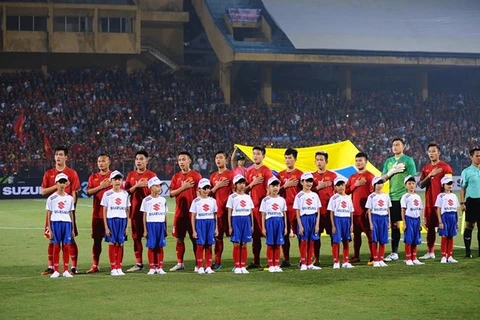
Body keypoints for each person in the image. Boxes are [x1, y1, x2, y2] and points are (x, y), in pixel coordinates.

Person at [40, 146, 80, 275]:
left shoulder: (72, 173)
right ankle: (51, 266)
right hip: (53, 212)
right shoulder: (49, 173)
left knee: (71, 240)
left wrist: (71, 208)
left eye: (61, 154)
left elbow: (74, 192)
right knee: (52, 239)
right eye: (56, 154)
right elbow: (43, 191)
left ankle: (73, 267)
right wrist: (57, 185)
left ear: (66, 157)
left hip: (67, 211)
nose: (58, 157)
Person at [381, 138, 417, 262]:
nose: (395, 147)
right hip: (393, 196)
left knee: (410, 224)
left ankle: (412, 253)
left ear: (403, 147)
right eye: (393, 145)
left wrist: (411, 196)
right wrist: (391, 172)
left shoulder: (408, 160)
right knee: (395, 225)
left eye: (398, 145)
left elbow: (412, 178)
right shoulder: (389, 161)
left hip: (405, 196)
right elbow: (382, 179)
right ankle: (394, 252)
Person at [419, 143, 453, 259]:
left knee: (445, 227)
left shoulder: (446, 167)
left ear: (439, 153)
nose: (431, 153)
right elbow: (421, 185)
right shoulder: (426, 168)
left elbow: (450, 185)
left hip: (443, 205)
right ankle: (431, 252)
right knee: (430, 228)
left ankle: (447, 254)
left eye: (434, 151)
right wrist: (430, 175)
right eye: (429, 151)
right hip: (430, 202)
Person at [124, 150, 157, 272]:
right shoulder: (130, 175)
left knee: (151, 238)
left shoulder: (152, 175)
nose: (138, 161)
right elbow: (125, 192)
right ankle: (139, 263)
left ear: (147, 161)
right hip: (135, 211)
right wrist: (136, 186)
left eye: (141, 159)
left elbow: (157, 191)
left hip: (150, 213)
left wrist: (148, 186)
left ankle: (154, 264)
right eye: (137, 159)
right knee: (136, 238)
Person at [169, 151, 202, 271]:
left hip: (193, 214)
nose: (181, 162)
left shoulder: (196, 176)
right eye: (179, 160)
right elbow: (171, 193)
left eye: (184, 159)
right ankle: (180, 263)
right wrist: (183, 188)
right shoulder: (176, 176)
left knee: (195, 238)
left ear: (189, 161)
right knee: (179, 238)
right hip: (180, 213)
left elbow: (201, 193)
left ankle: (198, 264)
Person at [245, 146, 273, 268]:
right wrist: (252, 184)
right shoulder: (249, 172)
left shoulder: (266, 171)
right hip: (253, 208)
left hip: (264, 209)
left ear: (263, 156)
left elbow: (271, 189)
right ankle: (256, 261)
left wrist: (265, 203)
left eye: (258, 154)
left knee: (268, 235)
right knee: (255, 236)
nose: (255, 156)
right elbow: (243, 190)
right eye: (254, 153)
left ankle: (272, 261)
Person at [346, 152, 375, 264]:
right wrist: (355, 185)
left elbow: (373, 194)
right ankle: (356, 256)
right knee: (356, 235)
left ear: (366, 162)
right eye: (357, 161)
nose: (358, 163)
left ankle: (373, 256)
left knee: (369, 234)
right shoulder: (352, 177)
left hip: (365, 212)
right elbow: (346, 190)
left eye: (360, 160)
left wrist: (369, 210)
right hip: (354, 211)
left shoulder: (370, 176)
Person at [86, 154, 112, 273]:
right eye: (99, 161)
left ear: (109, 162)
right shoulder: (93, 177)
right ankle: (95, 265)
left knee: (113, 240)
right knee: (97, 240)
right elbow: (88, 192)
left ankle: (115, 264)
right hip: (97, 214)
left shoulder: (114, 176)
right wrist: (101, 187)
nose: (101, 163)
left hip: (111, 214)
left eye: (103, 161)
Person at [276, 148, 303, 267]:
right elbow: (274, 192)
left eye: (290, 158)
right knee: (284, 235)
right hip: (284, 209)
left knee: (300, 234)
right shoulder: (280, 175)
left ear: (295, 159)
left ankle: (303, 259)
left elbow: (306, 190)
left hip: (297, 209)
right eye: (286, 158)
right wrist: (284, 186)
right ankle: (286, 259)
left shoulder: (301, 174)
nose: (287, 160)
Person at [101, 170, 130, 276]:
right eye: (115, 179)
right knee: (113, 242)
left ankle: (119, 267)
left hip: (122, 220)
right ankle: (113, 267)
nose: (118, 181)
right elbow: (104, 211)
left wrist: (127, 226)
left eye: (119, 179)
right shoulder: (107, 194)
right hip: (111, 220)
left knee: (120, 243)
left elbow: (127, 210)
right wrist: (106, 227)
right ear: (111, 181)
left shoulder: (125, 194)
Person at [46, 173, 75, 278]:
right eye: (60, 182)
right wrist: (49, 228)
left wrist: (72, 228)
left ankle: (66, 270)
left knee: (66, 246)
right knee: (56, 246)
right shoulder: (51, 198)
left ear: (66, 183)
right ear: (56, 183)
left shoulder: (70, 198)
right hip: (55, 223)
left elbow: (71, 213)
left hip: (66, 223)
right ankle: (56, 270)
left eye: (64, 182)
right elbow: (49, 214)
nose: (62, 184)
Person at [209, 151, 234, 270]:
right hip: (217, 213)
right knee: (218, 238)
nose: (218, 160)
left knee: (235, 238)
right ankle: (217, 262)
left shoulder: (231, 175)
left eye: (220, 158)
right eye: (216, 158)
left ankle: (238, 263)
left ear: (226, 160)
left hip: (230, 212)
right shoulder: (213, 176)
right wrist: (217, 186)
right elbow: (207, 194)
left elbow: (236, 192)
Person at [312, 150, 337, 265]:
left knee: (333, 235)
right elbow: (307, 192)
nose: (319, 162)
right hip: (316, 212)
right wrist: (318, 187)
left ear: (326, 161)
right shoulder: (311, 177)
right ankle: (316, 258)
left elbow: (338, 192)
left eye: (321, 160)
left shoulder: (333, 176)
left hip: (329, 212)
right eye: (317, 160)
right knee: (316, 237)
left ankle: (335, 258)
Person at [293, 172, 321, 271]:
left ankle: (310, 263)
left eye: (310, 181)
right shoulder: (299, 196)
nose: (309, 184)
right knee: (304, 241)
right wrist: (300, 225)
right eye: (307, 181)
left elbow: (318, 211)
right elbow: (297, 212)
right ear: (302, 182)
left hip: (313, 219)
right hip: (304, 219)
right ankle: (303, 263)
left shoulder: (315, 195)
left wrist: (317, 224)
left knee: (312, 241)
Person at [227, 174, 255, 274]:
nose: (242, 185)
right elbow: (229, 212)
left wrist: (252, 225)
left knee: (244, 243)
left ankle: (243, 265)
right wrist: (230, 226)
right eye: (239, 183)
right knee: (237, 243)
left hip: (246, 219)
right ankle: (237, 265)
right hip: (236, 219)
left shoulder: (248, 197)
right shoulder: (232, 197)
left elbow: (251, 211)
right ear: (235, 184)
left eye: (243, 183)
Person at [190, 178, 218, 274]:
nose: (206, 190)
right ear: (199, 189)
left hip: (210, 223)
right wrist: (193, 230)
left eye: (208, 188)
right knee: (200, 245)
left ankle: (208, 267)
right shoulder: (196, 201)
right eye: (204, 188)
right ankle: (200, 266)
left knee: (209, 245)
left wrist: (216, 227)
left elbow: (215, 214)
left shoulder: (212, 201)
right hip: (200, 223)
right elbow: (193, 216)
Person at [141, 176, 168, 275]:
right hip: (151, 225)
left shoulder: (163, 200)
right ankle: (152, 267)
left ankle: (160, 267)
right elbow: (144, 215)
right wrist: (145, 229)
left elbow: (165, 214)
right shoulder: (146, 200)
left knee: (160, 246)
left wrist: (165, 227)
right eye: (157, 186)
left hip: (160, 225)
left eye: (160, 186)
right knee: (151, 246)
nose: (159, 188)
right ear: (151, 187)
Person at [260, 176, 287, 273]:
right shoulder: (265, 200)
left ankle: (277, 264)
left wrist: (286, 227)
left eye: (277, 185)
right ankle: (271, 264)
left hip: (279, 222)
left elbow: (284, 214)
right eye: (273, 185)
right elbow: (263, 214)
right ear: (268, 187)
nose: (275, 188)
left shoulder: (282, 200)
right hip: (269, 222)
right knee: (271, 244)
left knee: (278, 244)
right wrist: (263, 227)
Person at [328, 177, 354, 269]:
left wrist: (351, 224)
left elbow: (351, 212)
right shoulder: (333, 198)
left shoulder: (348, 198)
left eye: (342, 185)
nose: (340, 187)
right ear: (335, 187)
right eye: (338, 185)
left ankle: (345, 261)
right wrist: (333, 225)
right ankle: (336, 261)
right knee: (336, 241)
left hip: (346, 220)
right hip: (337, 219)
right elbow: (331, 212)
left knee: (346, 241)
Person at [366, 177, 392, 267]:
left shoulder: (386, 196)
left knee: (383, 239)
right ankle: (375, 259)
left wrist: (389, 221)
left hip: (384, 218)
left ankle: (381, 259)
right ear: (374, 185)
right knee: (374, 239)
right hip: (375, 217)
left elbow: (388, 209)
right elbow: (369, 210)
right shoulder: (371, 196)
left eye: (381, 183)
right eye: (377, 184)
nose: (379, 185)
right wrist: (370, 223)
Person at [460, 147, 480, 258]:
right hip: (472, 201)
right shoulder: (466, 172)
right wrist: (462, 202)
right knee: (470, 226)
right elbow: (463, 188)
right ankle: (468, 252)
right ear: (471, 157)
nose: (479, 158)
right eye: (477, 156)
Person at [401, 175, 424, 266]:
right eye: (409, 183)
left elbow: (420, 209)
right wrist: (404, 222)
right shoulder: (405, 197)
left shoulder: (417, 197)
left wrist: (420, 222)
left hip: (417, 219)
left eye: (413, 183)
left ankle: (414, 258)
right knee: (409, 240)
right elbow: (403, 210)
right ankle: (408, 258)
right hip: (409, 219)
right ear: (405, 185)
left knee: (415, 239)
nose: (411, 185)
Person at [435, 176, 459, 263]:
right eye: (448, 184)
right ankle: (444, 256)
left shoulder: (454, 195)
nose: (450, 185)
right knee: (444, 236)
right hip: (445, 216)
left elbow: (456, 209)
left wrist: (457, 221)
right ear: (443, 185)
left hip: (452, 216)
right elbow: (438, 209)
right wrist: (440, 221)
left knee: (451, 236)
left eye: (451, 184)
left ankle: (450, 256)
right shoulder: (440, 196)